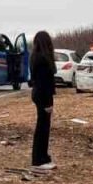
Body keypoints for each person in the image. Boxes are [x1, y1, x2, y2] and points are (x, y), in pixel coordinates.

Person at [30, 30, 57, 172]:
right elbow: (44, 83)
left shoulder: (36, 57)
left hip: (39, 95)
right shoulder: (42, 59)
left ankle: (42, 156)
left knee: (43, 127)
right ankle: (38, 159)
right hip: (42, 96)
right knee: (42, 128)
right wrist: (48, 103)